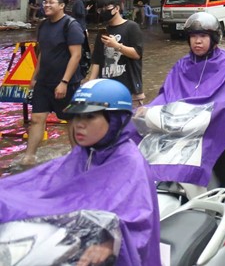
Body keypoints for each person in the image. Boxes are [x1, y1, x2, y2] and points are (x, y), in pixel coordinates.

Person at [0, 79, 160, 266]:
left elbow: (134, 223)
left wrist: (109, 240)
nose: (79, 124)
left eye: (89, 117)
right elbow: (40, 183)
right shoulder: (83, 153)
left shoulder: (129, 163)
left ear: (116, 119)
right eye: (76, 117)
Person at [136, 12, 225, 252]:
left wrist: (215, 112)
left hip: (218, 129)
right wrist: (147, 110)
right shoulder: (181, 65)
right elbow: (166, 96)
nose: (197, 41)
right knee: (144, 156)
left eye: (203, 36)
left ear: (213, 38)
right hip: (185, 127)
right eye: (193, 36)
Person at [20, 0, 84, 165]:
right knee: (36, 119)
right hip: (44, 83)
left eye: (51, 2)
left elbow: (76, 56)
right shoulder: (43, 25)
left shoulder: (71, 25)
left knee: (71, 120)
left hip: (66, 83)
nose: (46, 5)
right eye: (45, 2)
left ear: (62, 6)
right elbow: (43, 53)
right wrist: (34, 77)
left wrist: (64, 82)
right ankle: (29, 156)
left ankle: (77, 157)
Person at [88, 0, 145, 108]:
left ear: (117, 8)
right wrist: (89, 86)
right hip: (105, 91)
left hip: (129, 90)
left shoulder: (131, 27)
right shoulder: (103, 32)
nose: (103, 12)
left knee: (129, 125)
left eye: (106, 8)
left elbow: (137, 54)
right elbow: (97, 61)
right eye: (100, 9)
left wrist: (116, 46)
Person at [70, 0, 91, 75]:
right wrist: (86, 10)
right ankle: (83, 62)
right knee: (83, 45)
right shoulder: (79, 3)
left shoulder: (78, 2)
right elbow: (80, 13)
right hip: (80, 27)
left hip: (80, 26)